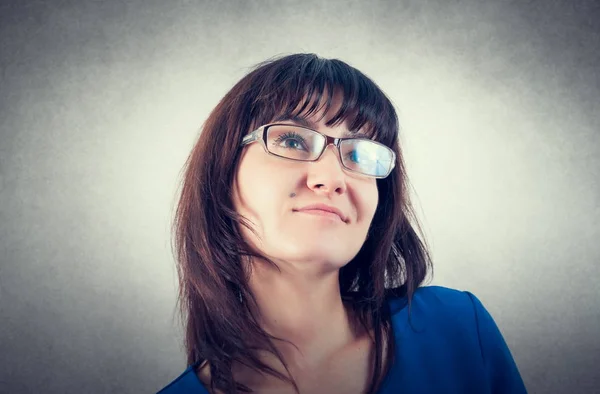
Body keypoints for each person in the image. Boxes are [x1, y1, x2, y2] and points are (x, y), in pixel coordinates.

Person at [157, 53, 527, 394]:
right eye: (291, 139)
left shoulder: (458, 328)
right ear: (222, 173)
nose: (332, 177)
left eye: (360, 154)